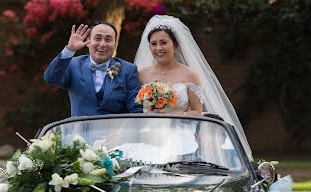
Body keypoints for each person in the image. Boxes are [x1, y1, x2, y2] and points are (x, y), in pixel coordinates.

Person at [134, 15, 252, 159]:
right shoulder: (140, 74)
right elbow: (136, 109)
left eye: (163, 42)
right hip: (149, 133)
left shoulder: (190, 74)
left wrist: (171, 116)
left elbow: (197, 111)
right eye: (153, 44)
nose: (158, 48)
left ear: (175, 45)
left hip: (182, 135)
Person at [44, 21, 142, 116]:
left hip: (115, 132)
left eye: (108, 39)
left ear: (115, 45)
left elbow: (136, 109)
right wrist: (70, 49)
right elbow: (51, 78)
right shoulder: (73, 64)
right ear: (88, 42)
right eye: (97, 38)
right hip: (81, 131)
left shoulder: (128, 70)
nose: (102, 44)